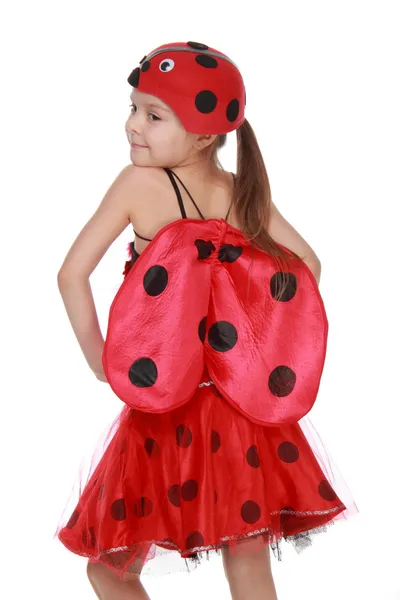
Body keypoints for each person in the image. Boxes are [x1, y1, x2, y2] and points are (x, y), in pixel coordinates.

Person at [54, 40, 359, 600]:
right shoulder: (236, 191)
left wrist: (102, 361)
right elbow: (306, 267)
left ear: (204, 133)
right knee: (246, 560)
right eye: (132, 109)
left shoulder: (138, 186)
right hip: (242, 415)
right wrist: (252, 336)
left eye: (152, 114)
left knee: (109, 568)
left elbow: (71, 274)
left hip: (164, 411)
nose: (132, 126)